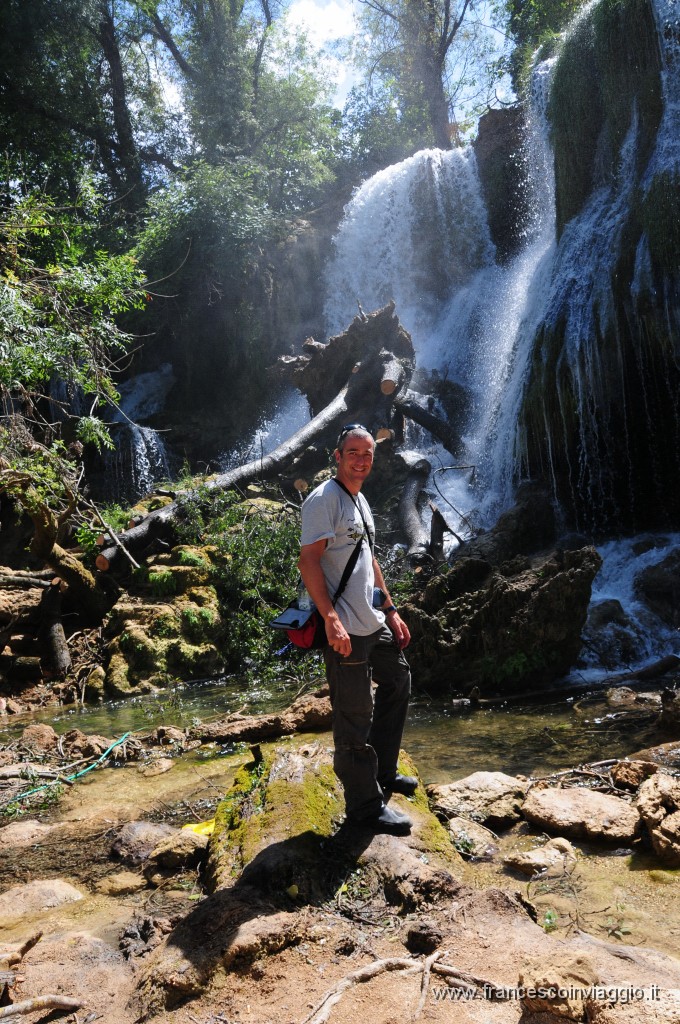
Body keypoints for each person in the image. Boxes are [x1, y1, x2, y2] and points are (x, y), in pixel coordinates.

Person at [298, 424, 416, 835]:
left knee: (398, 681)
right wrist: (330, 619)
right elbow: (308, 562)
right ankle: (365, 808)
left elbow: (369, 562)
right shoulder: (323, 500)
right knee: (353, 715)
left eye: (367, 453)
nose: (361, 459)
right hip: (345, 625)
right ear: (338, 456)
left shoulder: (360, 499)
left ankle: (383, 772)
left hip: (372, 618)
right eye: (353, 452)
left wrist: (392, 610)